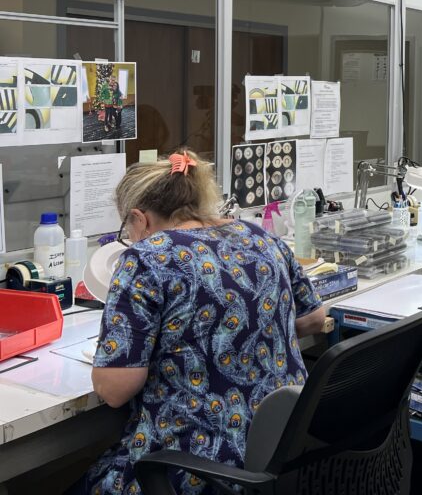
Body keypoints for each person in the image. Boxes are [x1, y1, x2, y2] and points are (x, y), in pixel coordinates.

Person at [85, 149, 325, 495]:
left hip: (191, 467)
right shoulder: (261, 237)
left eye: (128, 227)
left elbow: (113, 390)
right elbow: (314, 319)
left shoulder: (147, 257)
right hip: (279, 456)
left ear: (140, 218)